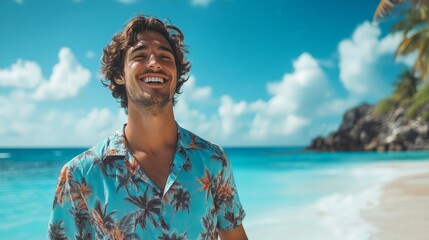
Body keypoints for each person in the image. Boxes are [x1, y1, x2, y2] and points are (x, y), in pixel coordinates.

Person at [47, 15, 247, 240]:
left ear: (176, 74)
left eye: (165, 56)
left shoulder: (213, 160)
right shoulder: (80, 175)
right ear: (119, 75)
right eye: (140, 55)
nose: (155, 63)